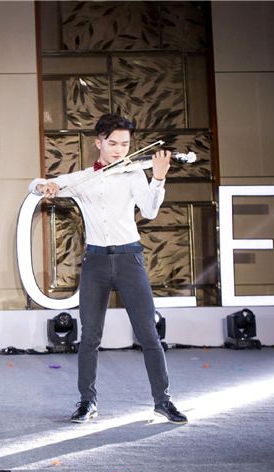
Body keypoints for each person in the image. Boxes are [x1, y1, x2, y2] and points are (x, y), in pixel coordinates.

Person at [29, 113, 188, 425]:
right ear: (98, 142)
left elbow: (150, 211)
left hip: (130, 259)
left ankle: (163, 401)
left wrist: (158, 178)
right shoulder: (83, 178)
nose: (119, 150)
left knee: (148, 333)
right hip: (95, 262)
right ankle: (87, 401)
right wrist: (45, 186)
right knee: (90, 335)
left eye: (125, 144)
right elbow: (36, 185)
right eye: (113, 143)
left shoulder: (133, 175)